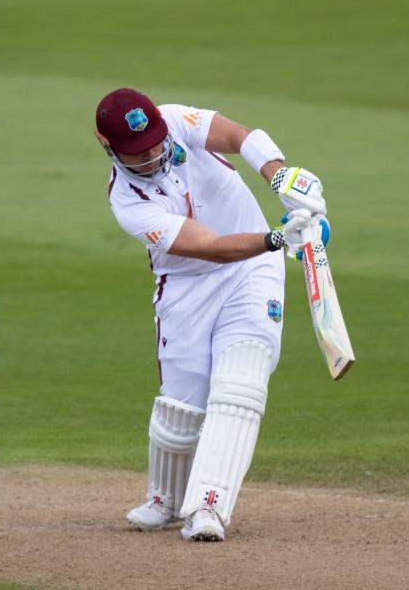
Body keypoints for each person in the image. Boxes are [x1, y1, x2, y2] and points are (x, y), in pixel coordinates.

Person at [94, 88, 327, 541]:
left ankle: (208, 507)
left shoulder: (175, 120)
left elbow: (241, 137)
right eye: (139, 154)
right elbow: (210, 248)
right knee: (181, 406)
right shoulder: (128, 202)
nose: (155, 155)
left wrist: (282, 178)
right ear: (108, 147)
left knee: (241, 382)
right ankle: (165, 500)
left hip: (253, 271)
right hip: (187, 285)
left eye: (157, 143)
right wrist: (278, 239)